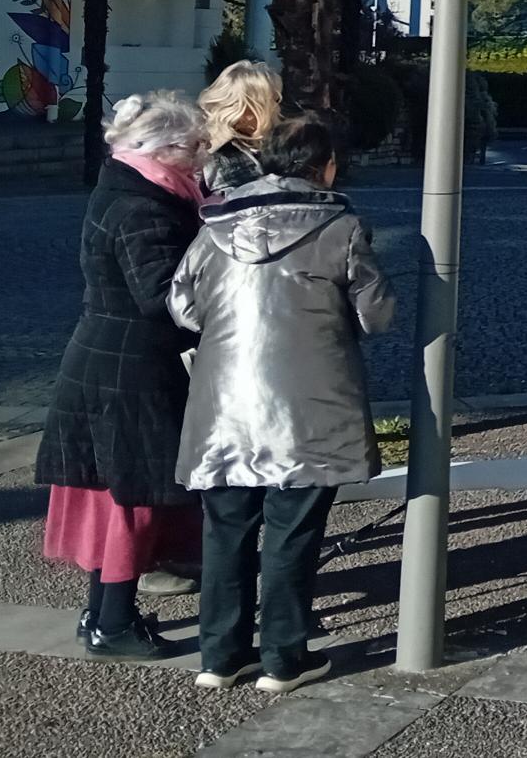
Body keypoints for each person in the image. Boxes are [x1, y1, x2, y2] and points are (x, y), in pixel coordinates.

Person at [170, 112, 395, 692]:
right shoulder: (340, 226)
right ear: (325, 166)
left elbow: (184, 309)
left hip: (224, 404)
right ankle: (283, 657)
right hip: (310, 405)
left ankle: (219, 656)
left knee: (225, 530)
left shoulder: (213, 226)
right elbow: (377, 315)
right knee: (293, 532)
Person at [34, 92, 208, 661]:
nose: (202, 157)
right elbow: (161, 296)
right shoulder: (146, 207)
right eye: (193, 146)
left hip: (110, 359)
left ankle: (102, 614)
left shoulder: (127, 187)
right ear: (162, 150)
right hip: (129, 369)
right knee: (129, 499)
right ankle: (112, 624)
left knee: (118, 494)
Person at [196, 60, 282, 193]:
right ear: (246, 107)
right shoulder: (212, 153)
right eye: (274, 100)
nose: (278, 108)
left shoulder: (276, 145)